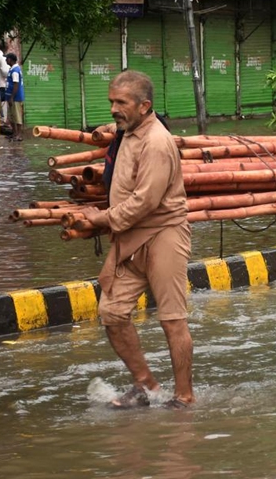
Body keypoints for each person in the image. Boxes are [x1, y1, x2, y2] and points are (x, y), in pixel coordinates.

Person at [81, 70, 194, 410]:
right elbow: (114, 135)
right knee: (112, 313)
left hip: (163, 234)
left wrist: (101, 218)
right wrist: (107, 129)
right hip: (130, 237)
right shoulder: (128, 130)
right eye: (112, 101)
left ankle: (184, 397)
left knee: (172, 319)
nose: (114, 109)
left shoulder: (157, 142)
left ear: (145, 106)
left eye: (121, 103)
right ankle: (146, 386)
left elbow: (145, 201)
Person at [5, 52, 24, 141]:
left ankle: (19, 135)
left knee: (17, 116)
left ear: (10, 59)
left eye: (7, 58)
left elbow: (16, 84)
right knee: (11, 116)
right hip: (11, 97)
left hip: (15, 98)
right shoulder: (12, 69)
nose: (5, 60)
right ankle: (14, 133)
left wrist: (12, 97)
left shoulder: (15, 71)